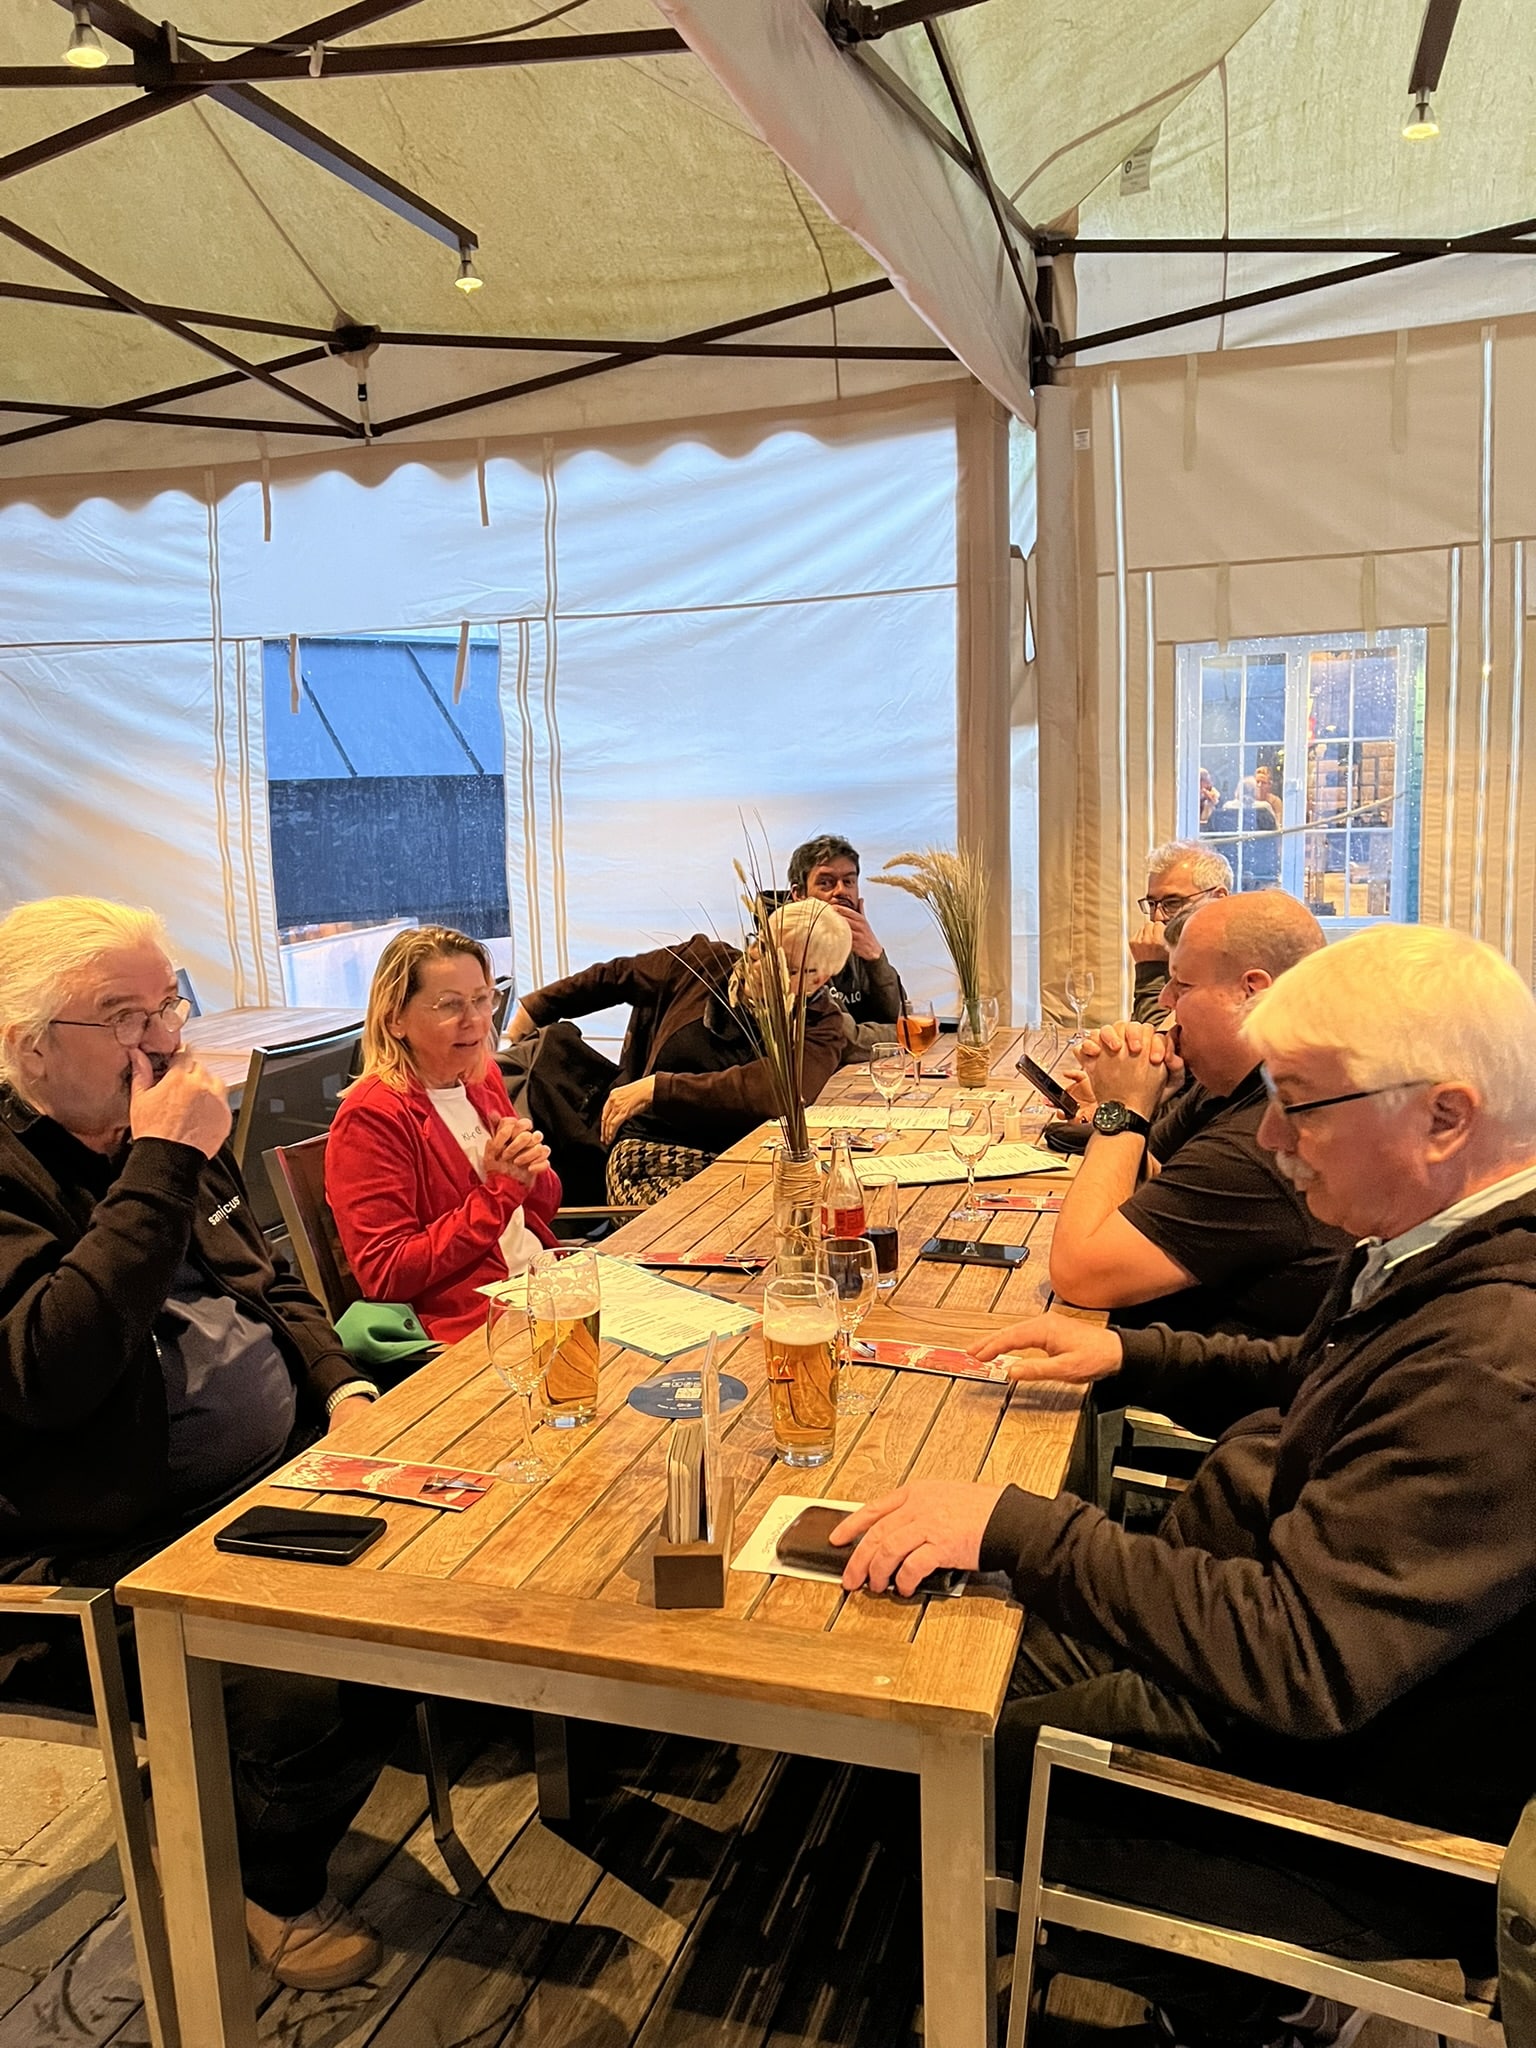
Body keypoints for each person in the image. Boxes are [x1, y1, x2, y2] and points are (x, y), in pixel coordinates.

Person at [834, 923, 1536, 2042]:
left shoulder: (1494, 1359)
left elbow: (1301, 1662)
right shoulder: (1437, 1248)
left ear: (1446, 1117)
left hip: (1341, 1816)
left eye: (1301, 1104)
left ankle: (1223, 2004)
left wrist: (1019, 1528)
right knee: (895, 1658)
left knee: (903, 1747)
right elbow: (1306, 1374)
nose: (1273, 1135)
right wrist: (1129, 1352)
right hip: (1244, 1624)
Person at [0, 896, 398, 1991]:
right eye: (125, 1017)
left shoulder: (163, 1128)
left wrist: (344, 1387)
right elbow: (48, 1372)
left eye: (168, 1002)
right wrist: (162, 1164)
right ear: (29, 1047)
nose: (167, 1037)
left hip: (272, 1474)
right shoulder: (74, 1162)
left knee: (441, 1586)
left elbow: (269, 1281)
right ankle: (262, 1875)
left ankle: (250, 1803)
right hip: (97, 1542)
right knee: (314, 1677)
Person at [1051, 892, 1352, 1337]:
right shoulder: (1238, 1085)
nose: (1165, 1000)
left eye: (1182, 985)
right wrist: (1142, 1098)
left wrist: (1123, 1110)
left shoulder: (1263, 1140)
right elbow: (1156, 1183)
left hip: (1201, 1377)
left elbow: (1079, 1275)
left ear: (1252, 990)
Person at [505, 900, 851, 1206]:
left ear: (817, 980)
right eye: (761, 946)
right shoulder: (704, 962)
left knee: (812, 1208)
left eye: (783, 964)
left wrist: (659, 1089)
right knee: (715, 1225)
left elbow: (773, 1090)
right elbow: (616, 976)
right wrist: (536, 1007)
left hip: (747, 1162)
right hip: (648, 1151)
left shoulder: (820, 1024)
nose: (758, 963)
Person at [326, 926, 563, 1346]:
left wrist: (530, 1167)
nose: (474, 1021)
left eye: (481, 999)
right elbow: (386, 1273)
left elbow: (541, 1208)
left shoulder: (480, 1076)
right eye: (450, 1005)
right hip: (477, 1327)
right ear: (395, 1019)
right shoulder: (372, 1116)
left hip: (544, 1287)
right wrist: (500, 1193)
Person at [787, 833, 904, 1055]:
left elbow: (900, 1015)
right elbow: (841, 1040)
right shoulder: (788, 950)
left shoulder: (856, 941)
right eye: (826, 883)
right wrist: (904, 1036)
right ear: (799, 894)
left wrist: (876, 958)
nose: (841, 891)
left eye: (848, 881)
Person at [1129, 839, 1232, 1024]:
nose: (1157, 917)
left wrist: (1151, 970)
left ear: (1218, 897)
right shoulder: (1176, 951)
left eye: (1173, 903)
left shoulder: (1231, 958)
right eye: (1152, 904)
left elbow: (1162, 1037)